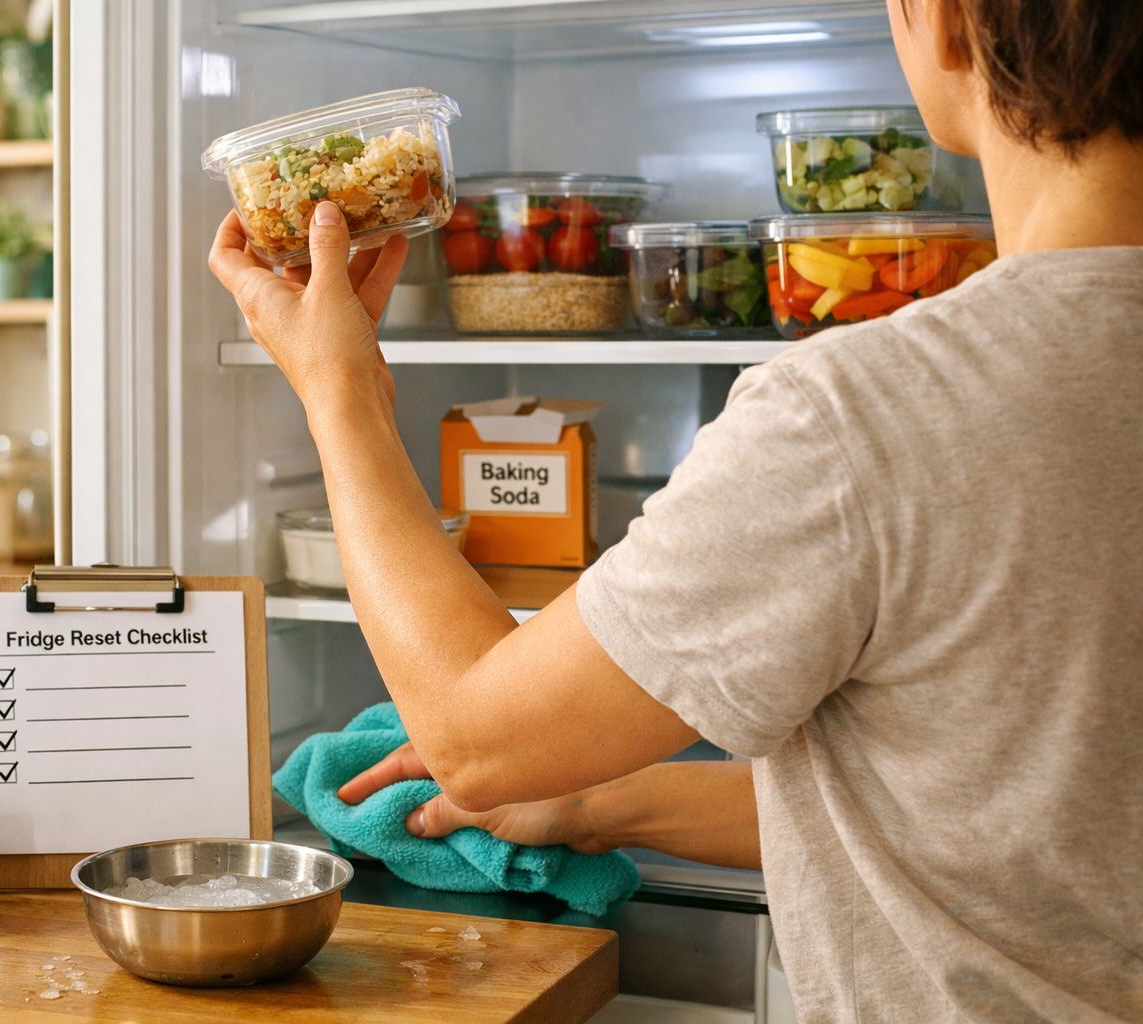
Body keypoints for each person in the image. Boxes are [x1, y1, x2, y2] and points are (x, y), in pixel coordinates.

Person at [208, 0, 1142, 1019]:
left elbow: (473, 740)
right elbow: (1006, 809)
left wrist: (339, 389)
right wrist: (593, 803)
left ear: (952, 24)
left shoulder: (868, 412)